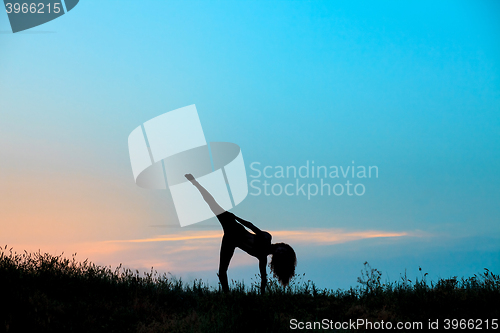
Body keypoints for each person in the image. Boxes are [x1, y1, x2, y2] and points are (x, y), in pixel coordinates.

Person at [184, 173, 297, 293]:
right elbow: (250, 225)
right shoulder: (266, 237)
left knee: (222, 272)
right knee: (212, 204)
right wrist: (235, 217)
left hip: (230, 241)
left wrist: (262, 296)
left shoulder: (262, 258)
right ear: (281, 245)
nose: (280, 250)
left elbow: (264, 279)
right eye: (282, 249)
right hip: (234, 227)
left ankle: (227, 297)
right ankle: (195, 182)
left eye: (282, 253)